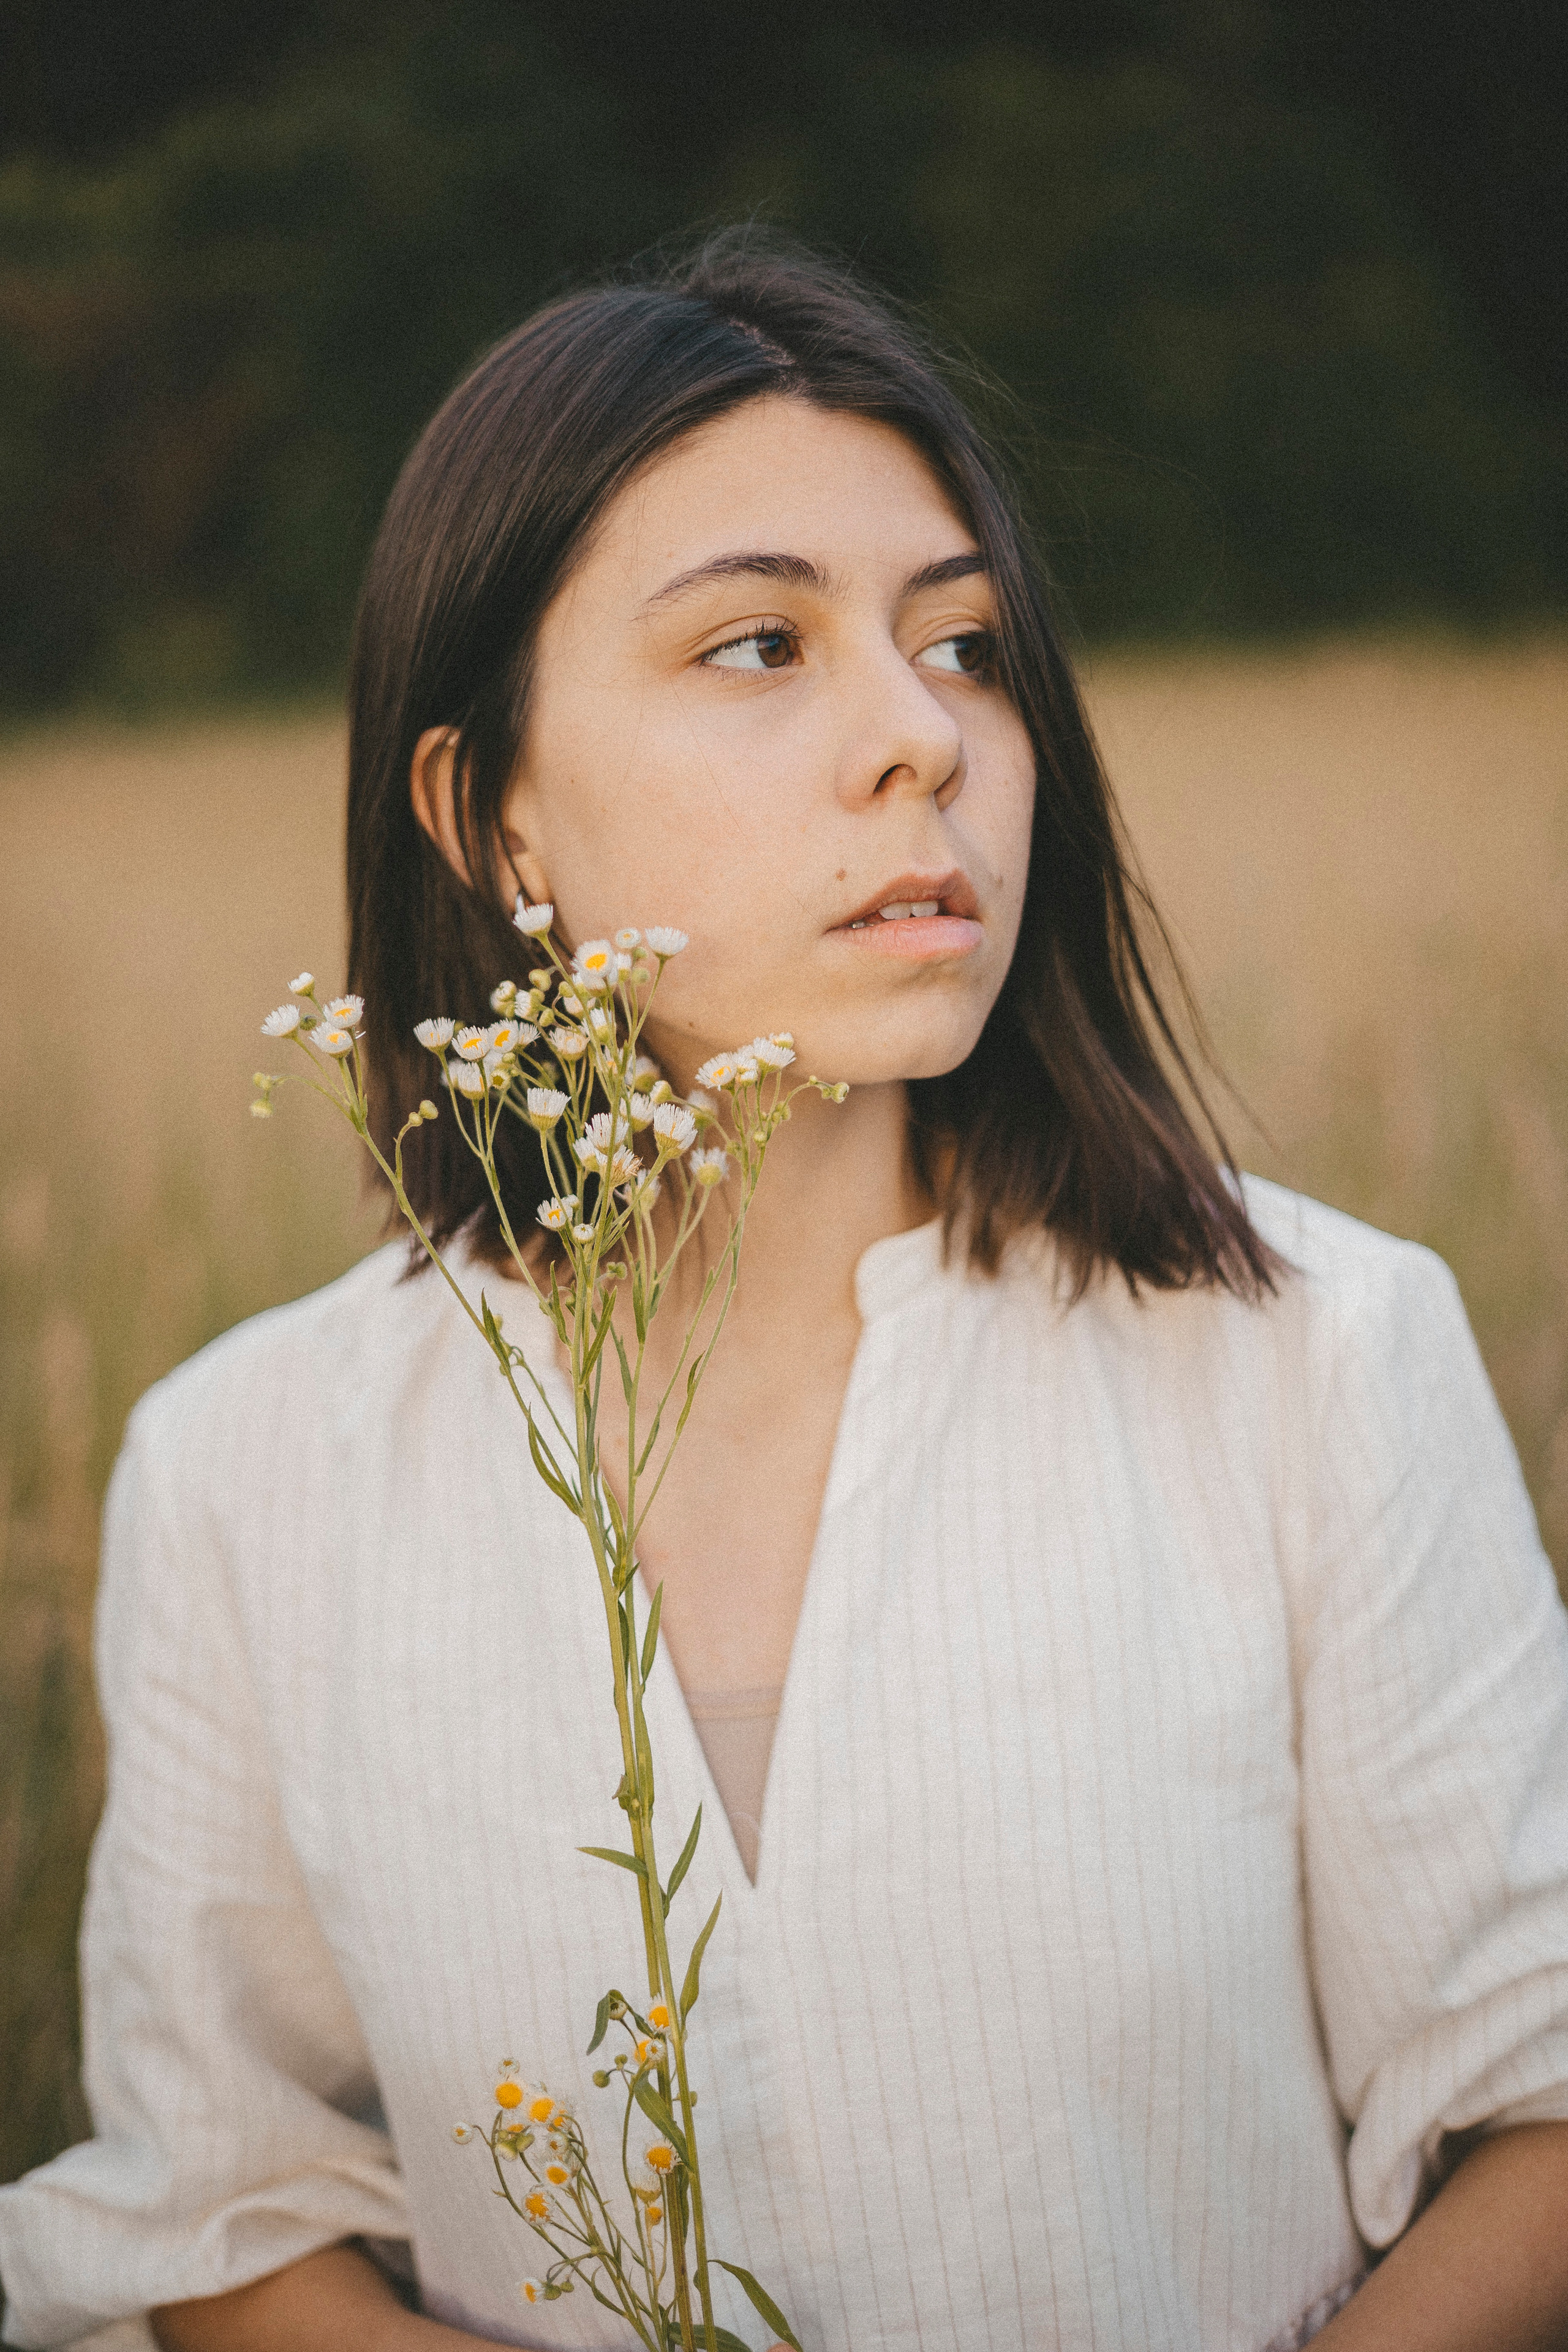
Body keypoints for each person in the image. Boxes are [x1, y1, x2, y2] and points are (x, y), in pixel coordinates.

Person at [2, 232, 1567, 2352]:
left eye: (970, 645)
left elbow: (1539, 2119)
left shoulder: (1316, 1364)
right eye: (759, 645)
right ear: (495, 817)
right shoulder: (249, 1473)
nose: (921, 739)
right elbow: (223, 2208)